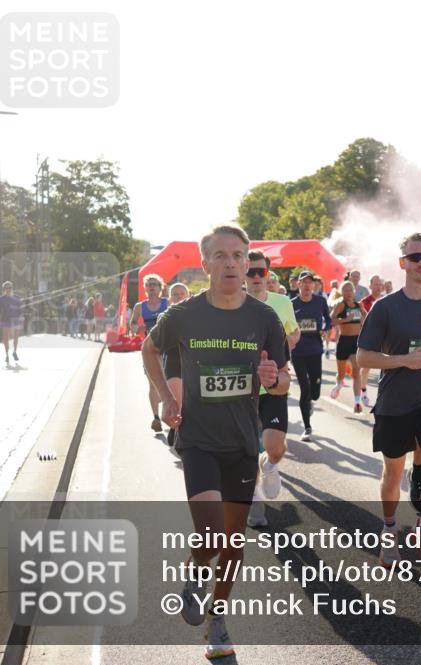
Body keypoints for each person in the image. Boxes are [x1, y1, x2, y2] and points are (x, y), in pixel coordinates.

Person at [142, 224, 289, 660]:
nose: (231, 263)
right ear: (205, 264)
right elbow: (149, 350)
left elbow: (281, 383)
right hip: (199, 440)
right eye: (221, 256)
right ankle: (193, 572)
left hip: (242, 443)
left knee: (234, 545)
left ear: (248, 263)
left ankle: (217, 619)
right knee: (210, 534)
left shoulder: (264, 319)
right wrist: (167, 399)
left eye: (238, 256)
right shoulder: (184, 315)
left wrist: (272, 379)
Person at [355, 232, 421, 570]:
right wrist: (404, 360)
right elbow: (363, 357)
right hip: (395, 402)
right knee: (392, 476)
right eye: (414, 258)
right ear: (403, 263)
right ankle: (388, 530)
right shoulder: (385, 307)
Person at [244, 250, 301, 529]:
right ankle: (255, 502)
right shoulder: (233, 304)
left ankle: (270, 465)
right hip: (242, 390)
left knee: (274, 448)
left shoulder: (281, 302)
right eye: (250, 272)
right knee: (246, 451)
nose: (256, 277)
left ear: (268, 274)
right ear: (243, 274)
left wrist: (286, 347)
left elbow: (294, 332)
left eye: (261, 272)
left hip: (275, 386)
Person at [290, 271, 333, 441]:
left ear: (314, 285)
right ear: (298, 285)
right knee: (304, 389)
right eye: (304, 282)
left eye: (310, 282)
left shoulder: (320, 301)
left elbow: (328, 320)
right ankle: (307, 427)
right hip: (298, 352)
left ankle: (311, 401)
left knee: (314, 392)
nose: (307, 285)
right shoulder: (291, 303)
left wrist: (325, 328)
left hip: (315, 350)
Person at [131, 274, 169, 432]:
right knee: (153, 384)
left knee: (169, 383)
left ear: (160, 288)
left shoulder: (167, 303)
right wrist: (137, 328)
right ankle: (156, 418)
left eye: (155, 285)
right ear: (145, 288)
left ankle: (168, 409)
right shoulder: (140, 307)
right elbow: (132, 324)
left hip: (167, 348)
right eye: (149, 285)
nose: (152, 287)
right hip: (150, 350)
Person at [329, 282, 367, 413]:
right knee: (341, 374)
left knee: (356, 373)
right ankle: (339, 384)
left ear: (354, 291)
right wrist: (345, 319)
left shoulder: (358, 305)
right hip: (343, 342)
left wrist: (364, 318)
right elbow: (331, 321)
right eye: (345, 290)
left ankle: (357, 402)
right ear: (342, 292)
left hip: (355, 342)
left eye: (350, 290)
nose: (348, 293)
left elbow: (366, 318)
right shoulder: (340, 305)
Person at [162, 283, 191, 447]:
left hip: (193, 364)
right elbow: (155, 346)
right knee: (177, 400)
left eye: (182, 294)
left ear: (188, 296)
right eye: (175, 294)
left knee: (190, 402)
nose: (179, 296)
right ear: (170, 298)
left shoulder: (197, 316)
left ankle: (184, 430)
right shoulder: (166, 317)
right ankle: (175, 427)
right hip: (173, 362)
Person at [359, 275, 386, 407]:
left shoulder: (387, 300)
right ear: (370, 286)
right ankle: (363, 392)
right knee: (366, 369)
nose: (378, 287)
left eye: (380, 284)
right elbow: (362, 322)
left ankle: (384, 396)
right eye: (376, 284)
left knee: (387, 367)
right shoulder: (364, 302)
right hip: (370, 339)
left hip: (385, 339)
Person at [0, 281, 23, 364]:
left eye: (10, 287)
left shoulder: (17, 298)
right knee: (5, 338)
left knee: (16, 337)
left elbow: (20, 310)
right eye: (6, 288)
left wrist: (22, 319)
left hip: (15, 319)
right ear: (4, 289)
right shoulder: (1, 299)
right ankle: (7, 354)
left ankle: (14, 352)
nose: (8, 289)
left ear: (12, 288)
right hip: (5, 319)